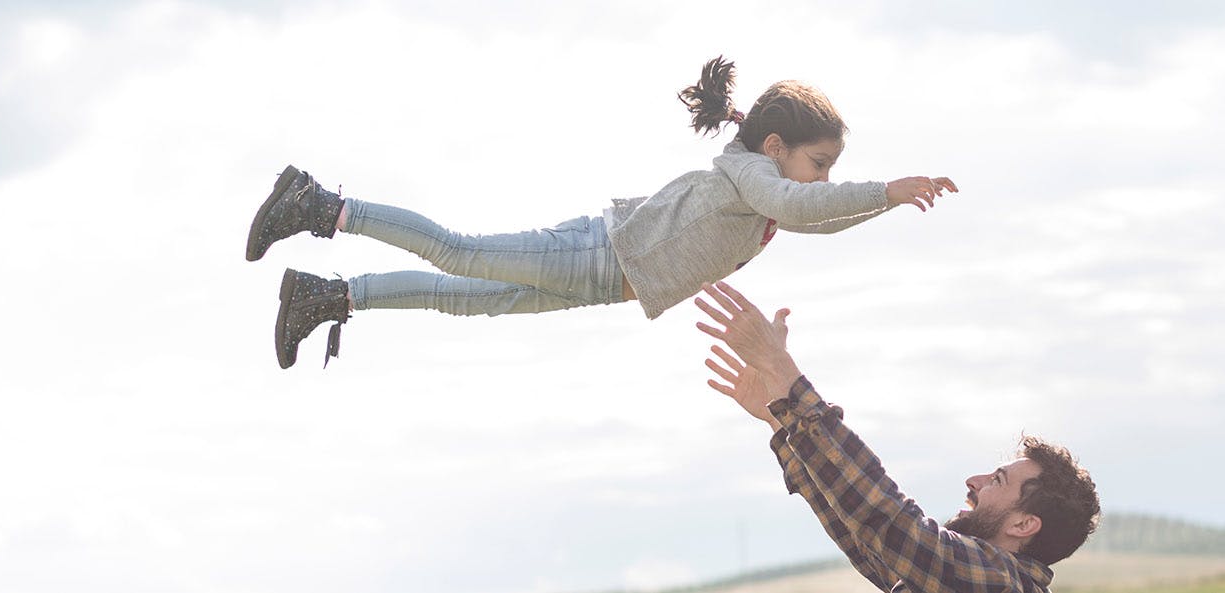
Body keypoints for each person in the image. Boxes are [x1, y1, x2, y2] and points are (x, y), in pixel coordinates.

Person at [243, 56, 959, 368]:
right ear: (775, 145)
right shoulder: (752, 177)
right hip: (592, 256)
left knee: (460, 301)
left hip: (599, 283)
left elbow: (816, 213)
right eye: (818, 163)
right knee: (456, 253)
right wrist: (886, 189)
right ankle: (320, 204)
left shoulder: (767, 184)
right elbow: (804, 208)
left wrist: (883, 206)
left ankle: (328, 296)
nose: (821, 179)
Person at [694, 281, 1101, 593]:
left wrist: (780, 367)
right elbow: (864, 534)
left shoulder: (1002, 583)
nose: (973, 482)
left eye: (997, 481)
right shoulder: (963, 580)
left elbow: (888, 521)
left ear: (1025, 523)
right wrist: (782, 416)